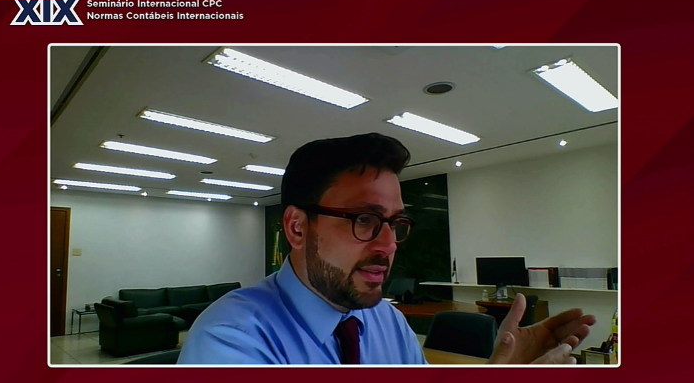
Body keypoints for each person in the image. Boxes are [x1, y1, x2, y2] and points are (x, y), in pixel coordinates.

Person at [178, 133, 596, 364]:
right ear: (297, 227)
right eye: (364, 219)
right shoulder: (231, 341)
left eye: (395, 223)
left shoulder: (387, 321)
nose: (389, 244)